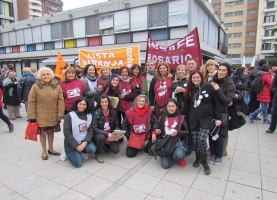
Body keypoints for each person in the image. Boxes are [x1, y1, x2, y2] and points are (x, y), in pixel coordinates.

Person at [184, 71, 222, 175]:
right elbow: (187, 105)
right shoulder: (190, 90)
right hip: (194, 119)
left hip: (206, 119)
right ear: (191, 79)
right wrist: (181, 116)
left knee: (201, 139)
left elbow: (216, 103)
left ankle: (205, 163)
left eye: (197, 77)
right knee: (196, 140)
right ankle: (197, 158)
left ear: (201, 78)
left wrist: (218, 117)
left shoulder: (208, 87)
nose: (196, 79)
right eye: (193, 78)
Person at [28, 67, 64, 160]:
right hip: (41, 114)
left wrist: (60, 113)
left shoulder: (57, 86)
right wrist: (32, 116)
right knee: (43, 134)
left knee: (51, 132)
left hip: (53, 114)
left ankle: (51, 149)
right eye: (43, 74)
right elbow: (31, 102)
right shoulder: (35, 86)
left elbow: (61, 100)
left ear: (51, 75)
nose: (46, 76)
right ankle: (44, 150)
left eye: (47, 74)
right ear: (40, 76)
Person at [210, 63, 236, 163]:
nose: (221, 72)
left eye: (223, 70)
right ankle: (212, 153)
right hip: (211, 111)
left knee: (219, 133)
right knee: (211, 133)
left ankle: (219, 154)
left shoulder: (230, 84)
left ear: (228, 72)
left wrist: (218, 89)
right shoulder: (214, 80)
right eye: (220, 70)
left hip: (222, 112)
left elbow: (227, 101)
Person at [155, 99, 190, 169]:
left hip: (178, 142)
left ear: (176, 107)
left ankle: (180, 157)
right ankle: (169, 154)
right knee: (165, 166)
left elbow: (188, 132)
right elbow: (160, 129)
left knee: (179, 154)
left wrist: (178, 132)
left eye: (173, 106)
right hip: (166, 143)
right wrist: (158, 131)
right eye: (169, 106)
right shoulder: (162, 117)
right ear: (166, 107)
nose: (171, 108)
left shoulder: (182, 117)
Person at [63, 97, 96, 168]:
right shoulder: (69, 116)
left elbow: (90, 131)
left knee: (92, 149)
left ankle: (82, 151)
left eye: (84, 104)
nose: (82, 106)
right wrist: (76, 146)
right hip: (71, 144)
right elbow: (67, 133)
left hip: (83, 140)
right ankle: (67, 153)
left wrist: (85, 142)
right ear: (76, 104)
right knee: (78, 164)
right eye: (80, 104)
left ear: (87, 106)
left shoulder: (89, 115)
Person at [92, 95, 121, 163]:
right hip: (101, 134)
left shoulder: (113, 112)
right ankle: (98, 153)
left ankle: (106, 146)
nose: (104, 104)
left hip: (111, 134)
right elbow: (95, 128)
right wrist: (107, 134)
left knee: (116, 150)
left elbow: (116, 125)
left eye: (106, 102)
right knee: (101, 137)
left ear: (108, 102)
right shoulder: (96, 113)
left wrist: (118, 132)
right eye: (102, 102)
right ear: (100, 103)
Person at [266, 68, 277, 133]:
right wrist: (275, 92)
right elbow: (274, 85)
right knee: (274, 113)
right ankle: (272, 128)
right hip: (276, 97)